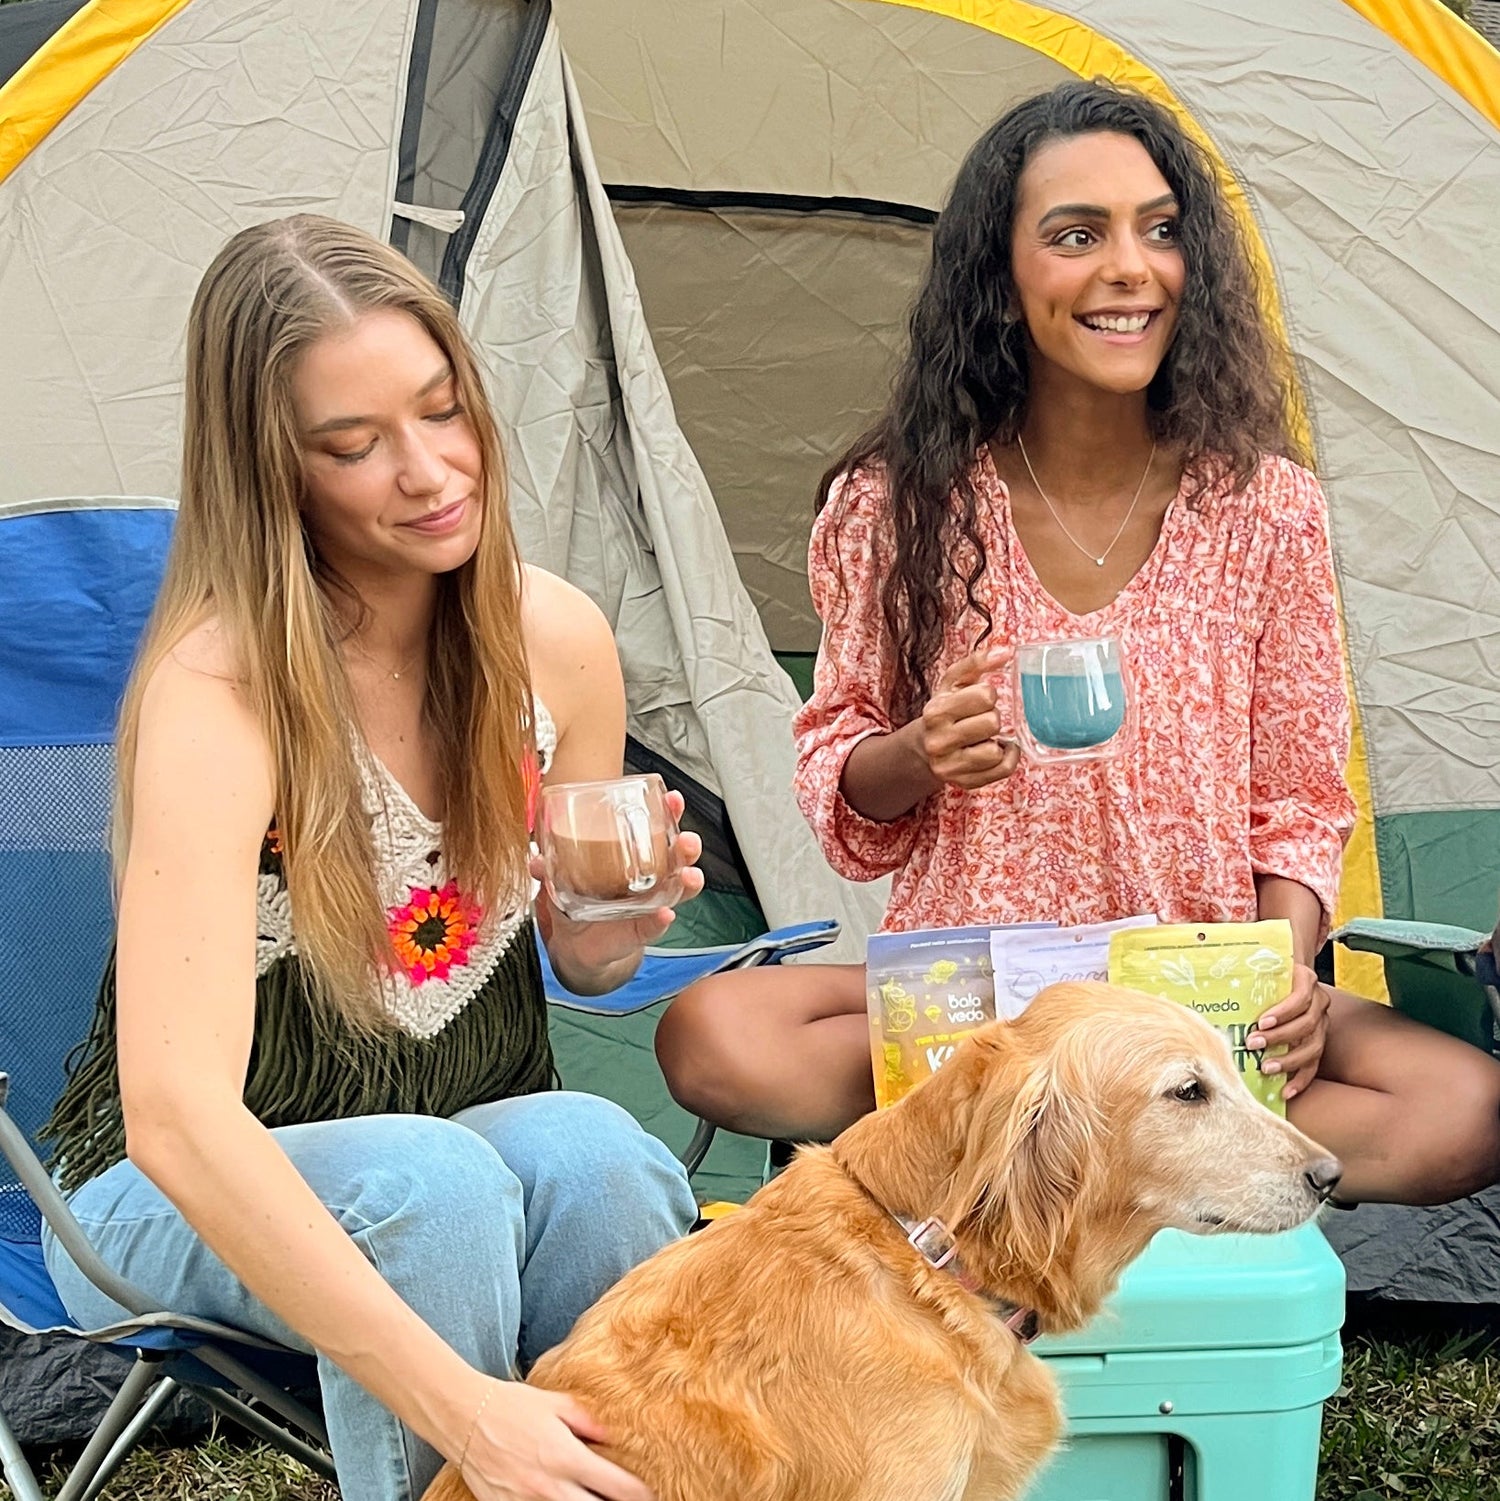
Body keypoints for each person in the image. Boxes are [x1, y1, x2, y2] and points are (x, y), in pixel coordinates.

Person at [655, 80, 1500, 1209]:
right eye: (1075, 235)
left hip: (1194, 996)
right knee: (713, 1034)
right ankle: (1136, 1170)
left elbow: (1300, 802)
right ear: (999, 279)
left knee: (1462, 1107)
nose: (1129, 268)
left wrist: (1282, 968)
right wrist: (918, 750)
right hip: (987, 1003)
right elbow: (840, 774)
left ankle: (1054, 1165)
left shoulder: (1266, 507)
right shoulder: (895, 502)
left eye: (1160, 230)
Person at [42, 215, 701, 1501]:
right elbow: (178, 1119)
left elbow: (575, 941)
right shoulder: (220, 695)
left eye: (444, 410)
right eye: (354, 445)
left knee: (601, 1149)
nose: (430, 470)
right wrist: (471, 1414)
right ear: (275, 473)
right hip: (175, 1191)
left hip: (464, 1120)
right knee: (430, 1182)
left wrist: (609, 937)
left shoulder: (555, 641)